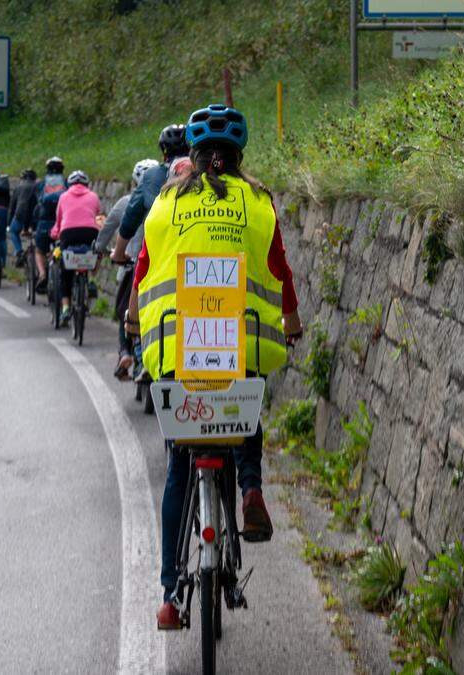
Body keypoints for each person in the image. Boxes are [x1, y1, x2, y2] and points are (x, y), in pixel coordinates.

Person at [127, 105, 303, 630]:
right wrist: (291, 322)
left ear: (195, 157)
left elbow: (143, 267)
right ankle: (250, 487)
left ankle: (168, 595)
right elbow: (280, 269)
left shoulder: (166, 200)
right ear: (238, 155)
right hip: (240, 343)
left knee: (180, 466)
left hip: (176, 351)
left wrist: (135, 321)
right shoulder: (258, 201)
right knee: (241, 403)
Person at [95, 158, 159, 378]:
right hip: (162, 266)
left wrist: (100, 249)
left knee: (124, 310)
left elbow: (108, 230)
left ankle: (125, 353)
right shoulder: (167, 201)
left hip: (132, 265)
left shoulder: (125, 203)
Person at [112, 124, 190, 264]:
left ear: (164, 152)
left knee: (139, 284)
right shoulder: (206, 173)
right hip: (200, 248)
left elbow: (130, 218)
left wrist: (118, 253)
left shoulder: (151, 175)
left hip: (161, 253)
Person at [50, 170, 102, 325]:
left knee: (65, 269)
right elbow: (97, 216)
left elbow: (59, 223)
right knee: (96, 251)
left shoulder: (63, 197)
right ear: (86, 184)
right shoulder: (93, 196)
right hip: (90, 231)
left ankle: (65, 307)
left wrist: (54, 234)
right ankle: (92, 278)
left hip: (68, 233)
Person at [31, 157, 67, 293]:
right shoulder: (66, 183)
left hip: (44, 224)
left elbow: (36, 205)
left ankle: (42, 274)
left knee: (39, 251)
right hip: (62, 224)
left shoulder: (41, 184)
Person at [7, 168, 38, 266]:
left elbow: (12, 207)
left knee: (13, 231)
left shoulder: (19, 187)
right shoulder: (38, 186)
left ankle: (19, 252)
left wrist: (8, 223)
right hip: (35, 215)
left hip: (20, 215)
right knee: (37, 235)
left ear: (23, 178)